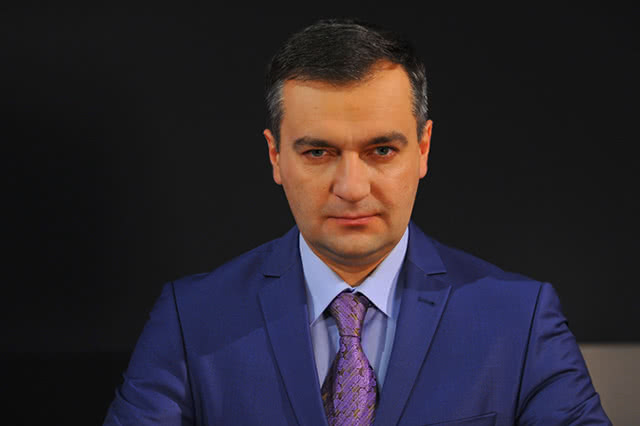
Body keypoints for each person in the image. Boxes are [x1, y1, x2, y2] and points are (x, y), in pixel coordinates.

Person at [104, 18, 610, 425]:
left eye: (381, 150)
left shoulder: (519, 320)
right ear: (276, 156)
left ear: (423, 149)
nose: (351, 187)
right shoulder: (191, 320)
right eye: (318, 152)